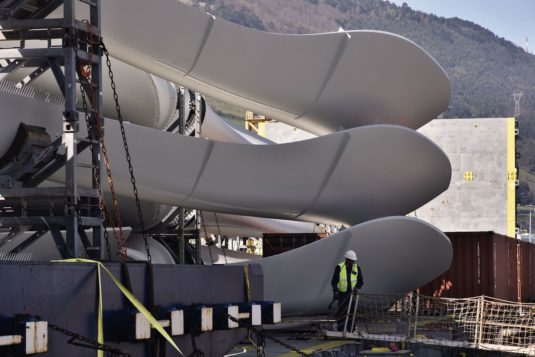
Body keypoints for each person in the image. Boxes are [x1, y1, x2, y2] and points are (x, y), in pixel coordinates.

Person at [330, 249, 363, 331]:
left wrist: (357, 287)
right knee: (342, 312)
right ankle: (340, 329)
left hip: (352, 294)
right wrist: (336, 290)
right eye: (352, 261)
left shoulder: (357, 268)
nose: (353, 262)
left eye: (354, 260)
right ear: (347, 260)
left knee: (352, 312)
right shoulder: (339, 267)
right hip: (342, 294)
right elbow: (334, 281)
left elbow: (360, 281)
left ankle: (351, 330)